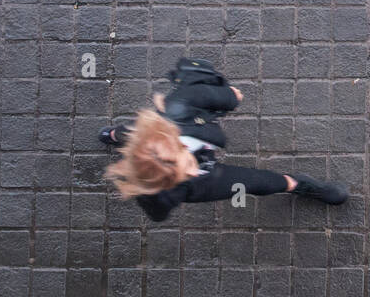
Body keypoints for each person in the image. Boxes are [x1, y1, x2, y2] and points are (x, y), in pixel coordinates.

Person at [100, 58, 347, 221]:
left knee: (131, 134)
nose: (192, 170)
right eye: (184, 173)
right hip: (208, 179)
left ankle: (114, 135)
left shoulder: (184, 102)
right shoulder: (156, 193)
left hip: (158, 131)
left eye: (187, 164)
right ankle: (295, 184)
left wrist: (229, 98)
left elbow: (233, 96)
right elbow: (158, 213)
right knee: (257, 182)